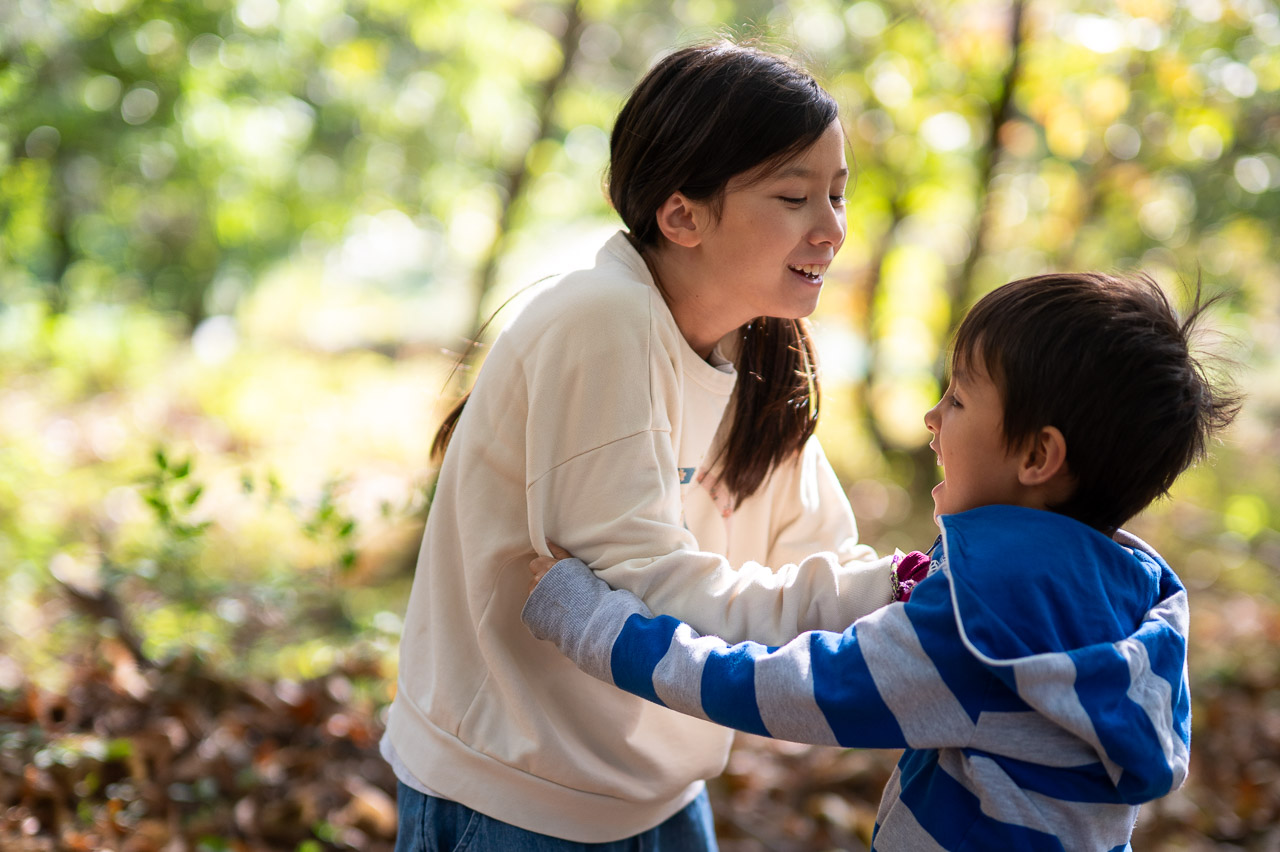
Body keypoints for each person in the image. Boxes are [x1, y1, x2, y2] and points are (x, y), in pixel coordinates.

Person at [382, 41, 908, 850]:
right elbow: (647, 592)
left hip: (658, 797)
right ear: (682, 214)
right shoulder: (603, 320)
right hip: (520, 800)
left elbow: (822, 566)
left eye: (838, 194)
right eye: (795, 196)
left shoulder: (760, 351)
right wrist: (895, 591)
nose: (832, 229)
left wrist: (935, 592)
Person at [524, 272, 1241, 851]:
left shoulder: (972, 633)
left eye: (957, 399)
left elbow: (779, 689)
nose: (932, 418)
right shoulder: (1123, 596)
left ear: (1037, 456)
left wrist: (592, 621)